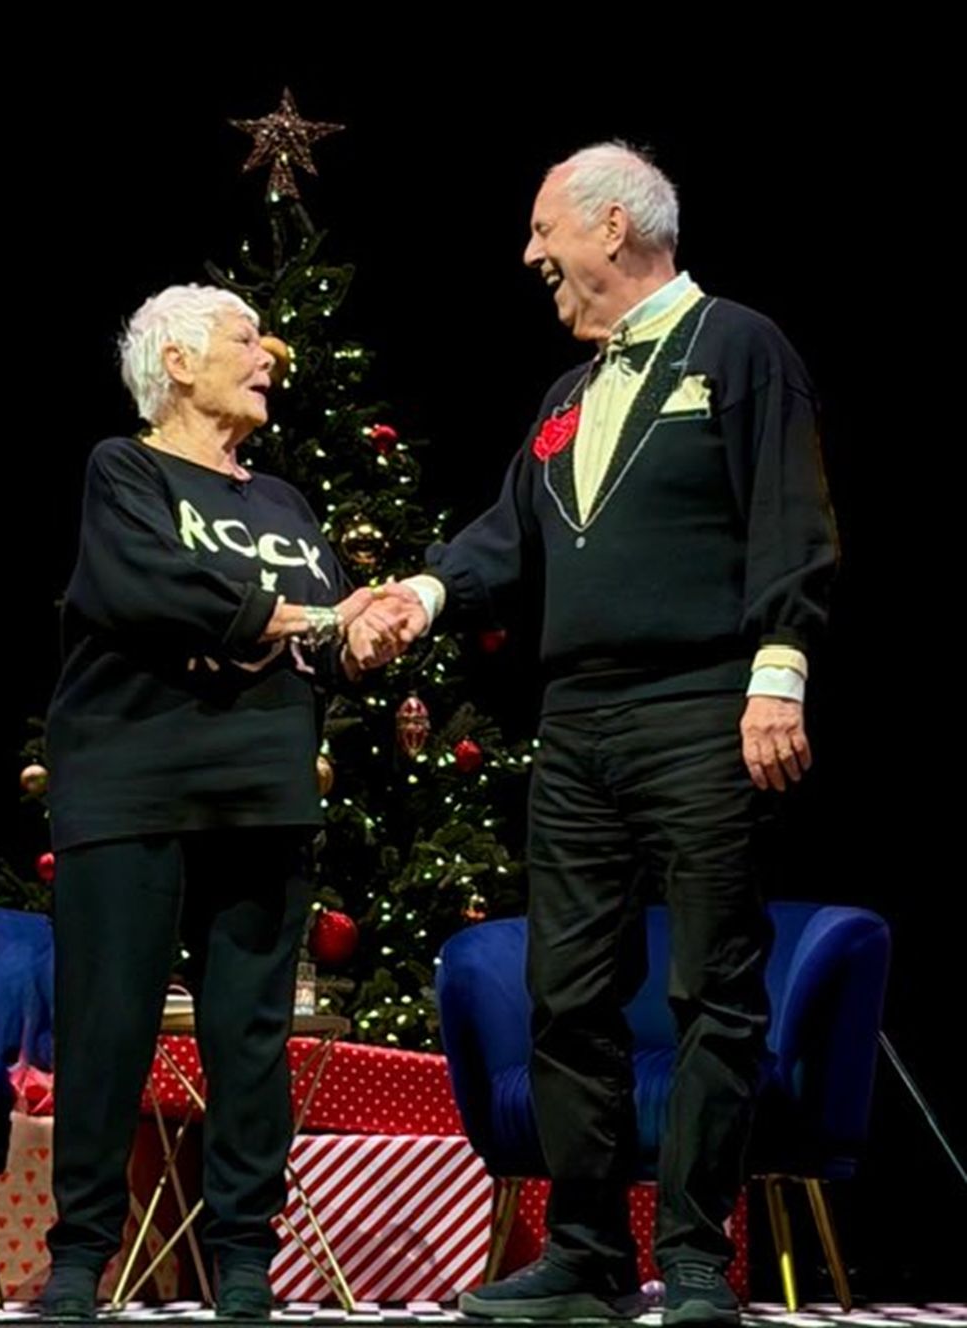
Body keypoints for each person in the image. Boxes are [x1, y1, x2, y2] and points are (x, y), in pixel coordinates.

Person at [379, 142, 839, 1325]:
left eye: (545, 229)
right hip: (576, 717)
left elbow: (789, 513)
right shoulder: (565, 396)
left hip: (700, 700)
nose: (531, 254)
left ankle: (691, 1254)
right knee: (565, 990)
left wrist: (774, 673)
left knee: (709, 987)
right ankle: (584, 1250)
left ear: (614, 227)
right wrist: (419, 596)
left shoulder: (735, 345)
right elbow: (504, 534)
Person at [40, 284, 402, 1320]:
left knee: (250, 1034)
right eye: (245, 339)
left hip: (262, 786)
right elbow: (142, 588)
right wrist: (300, 616)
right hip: (131, 783)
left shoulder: (282, 504)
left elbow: (329, 637)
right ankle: (82, 1256)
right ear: (179, 362)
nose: (269, 355)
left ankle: (244, 1253)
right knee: (107, 1022)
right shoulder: (127, 469)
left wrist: (359, 636)